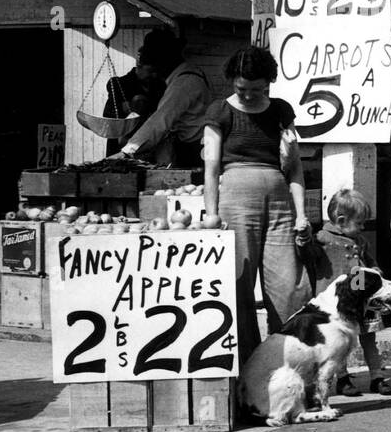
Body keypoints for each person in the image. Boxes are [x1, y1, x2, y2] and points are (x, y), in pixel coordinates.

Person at [202, 45, 312, 357]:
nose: (249, 95)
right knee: (237, 285)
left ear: (269, 84)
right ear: (231, 83)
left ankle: (286, 359)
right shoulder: (220, 112)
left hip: (279, 204)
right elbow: (210, 167)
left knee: (287, 285)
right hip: (235, 201)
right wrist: (211, 213)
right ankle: (246, 365)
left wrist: (301, 214)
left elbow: (294, 168)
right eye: (242, 89)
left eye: (258, 89)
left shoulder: (280, 111)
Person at [311, 188, 391, 397]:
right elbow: (308, 256)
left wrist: (375, 269)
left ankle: (377, 376)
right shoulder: (322, 239)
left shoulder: (360, 241)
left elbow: (368, 262)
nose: (362, 227)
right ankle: (342, 378)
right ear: (341, 220)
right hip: (339, 304)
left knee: (369, 339)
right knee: (339, 342)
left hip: (362, 300)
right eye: (359, 223)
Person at [119, 28, 212, 166]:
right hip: (188, 147)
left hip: (194, 152)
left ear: (165, 62)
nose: (155, 74)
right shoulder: (190, 74)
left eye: (155, 67)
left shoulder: (183, 84)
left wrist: (127, 151)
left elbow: (159, 122)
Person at [103, 59, 164, 157]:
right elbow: (108, 115)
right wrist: (124, 108)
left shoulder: (158, 86)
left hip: (148, 143)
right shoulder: (120, 85)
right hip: (122, 144)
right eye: (150, 71)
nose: (154, 75)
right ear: (139, 66)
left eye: (156, 71)